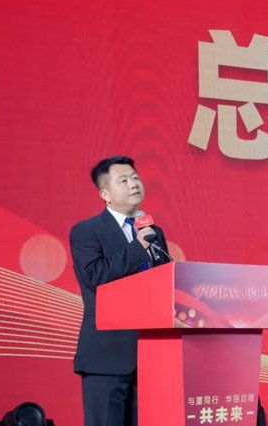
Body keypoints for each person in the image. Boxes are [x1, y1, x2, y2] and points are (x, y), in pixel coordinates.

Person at [70, 155, 170, 426]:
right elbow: (95, 277)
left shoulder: (153, 231)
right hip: (107, 355)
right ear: (105, 194)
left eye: (135, 178)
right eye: (123, 180)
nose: (133, 184)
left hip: (151, 353)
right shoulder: (87, 231)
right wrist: (138, 248)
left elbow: (162, 281)